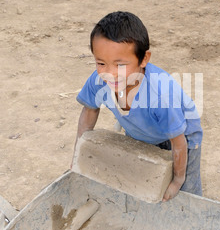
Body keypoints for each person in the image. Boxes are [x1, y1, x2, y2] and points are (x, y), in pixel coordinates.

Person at [73, 11, 203, 202]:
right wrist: (80, 153)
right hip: (141, 131)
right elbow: (90, 110)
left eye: (120, 65)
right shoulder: (98, 81)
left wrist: (177, 181)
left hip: (182, 136)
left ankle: (189, 213)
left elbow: (178, 142)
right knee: (140, 179)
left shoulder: (160, 96)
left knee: (185, 194)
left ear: (144, 59)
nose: (110, 73)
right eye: (101, 63)